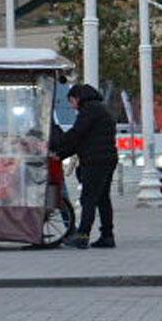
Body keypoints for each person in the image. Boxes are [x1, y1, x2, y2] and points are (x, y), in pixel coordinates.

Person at [53, 84, 118, 249]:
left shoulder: (89, 111)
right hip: (107, 159)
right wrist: (60, 155)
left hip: (95, 161)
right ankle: (107, 235)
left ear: (78, 98)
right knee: (103, 198)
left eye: (71, 101)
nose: (72, 106)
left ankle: (82, 235)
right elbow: (81, 141)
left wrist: (57, 144)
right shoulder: (101, 109)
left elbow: (76, 135)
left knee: (88, 198)